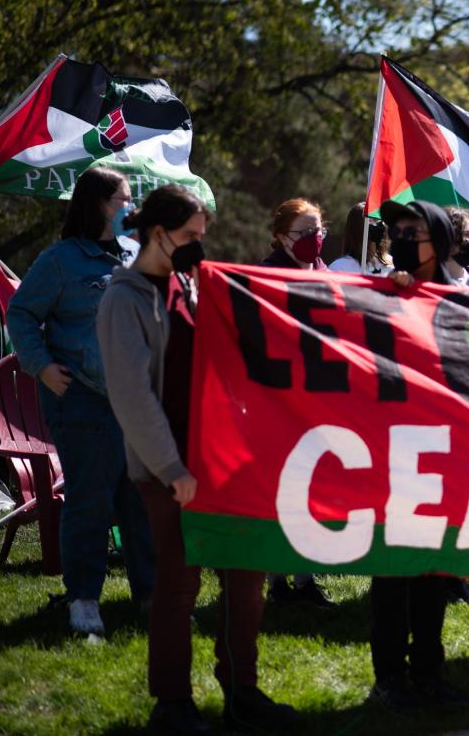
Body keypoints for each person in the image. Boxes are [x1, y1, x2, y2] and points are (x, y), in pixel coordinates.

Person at [96, 185, 298, 735]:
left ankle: (242, 689)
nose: (196, 248)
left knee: (245, 580)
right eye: (188, 238)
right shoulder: (124, 299)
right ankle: (173, 703)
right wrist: (172, 469)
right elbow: (132, 396)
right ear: (156, 234)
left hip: (222, 462)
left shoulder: (189, 284)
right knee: (179, 587)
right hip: (171, 471)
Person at [5, 166, 154, 636]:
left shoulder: (136, 256)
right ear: (97, 206)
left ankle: (151, 598)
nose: (131, 207)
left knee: (142, 502)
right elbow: (22, 314)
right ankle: (84, 600)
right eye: (123, 200)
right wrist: (41, 367)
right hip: (83, 401)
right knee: (90, 500)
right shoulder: (61, 261)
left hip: (136, 402)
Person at [368, 199, 467, 710]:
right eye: (397, 231)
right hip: (390, 456)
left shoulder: (465, 301)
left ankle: (429, 670)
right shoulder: (378, 292)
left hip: (443, 457)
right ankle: (388, 678)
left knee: (432, 574)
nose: (402, 239)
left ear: (441, 242)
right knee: (391, 574)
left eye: (415, 231)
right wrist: (392, 297)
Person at [259, 198, 338, 608]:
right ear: (280, 237)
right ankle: (277, 581)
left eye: (318, 230)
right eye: (304, 232)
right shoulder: (266, 276)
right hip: (279, 398)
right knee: (281, 489)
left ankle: (305, 579)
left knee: (313, 486)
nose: (314, 239)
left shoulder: (328, 275)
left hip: (320, 396)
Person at [329, 202, 390, 275]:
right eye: (371, 220)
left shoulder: (392, 265)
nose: (379, 225)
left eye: (378, 220)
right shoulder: (339, 267)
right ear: (356, 229)